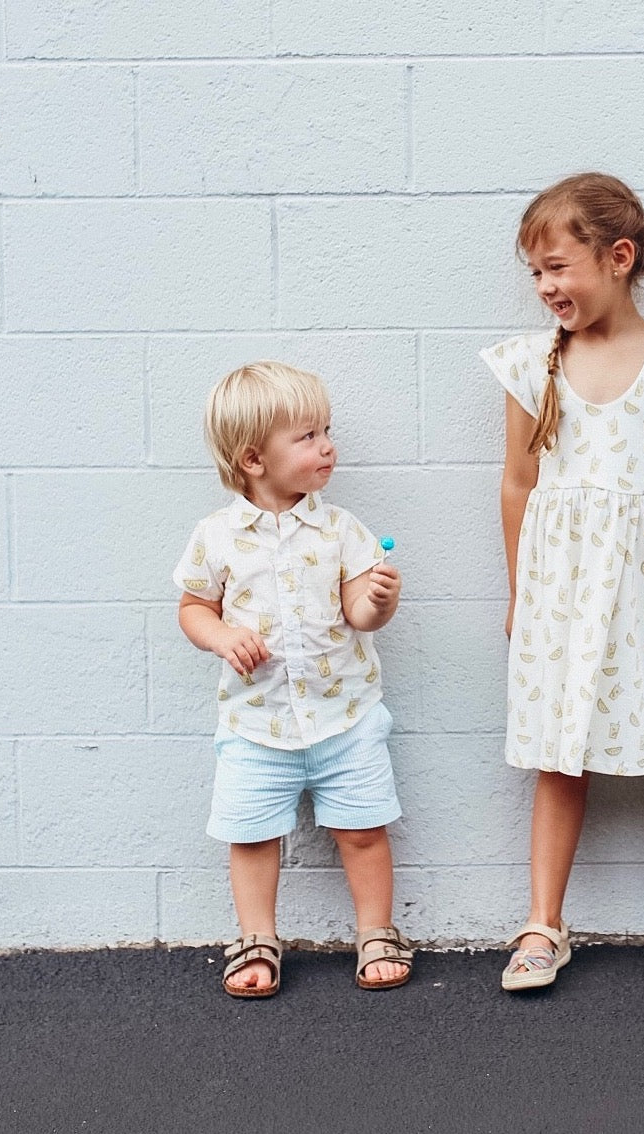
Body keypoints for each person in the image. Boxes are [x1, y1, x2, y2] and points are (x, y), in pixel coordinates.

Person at [481, 173, 644, 995]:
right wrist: (521, 590)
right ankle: (542, 924)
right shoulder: (532, 364)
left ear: (618, 258)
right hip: (562, 586)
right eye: (535, 273)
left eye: (557, 266)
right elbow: (518, 484)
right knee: (561, 754)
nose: (545, 286)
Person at [173, 361, 412, 998]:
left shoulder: (341, 531)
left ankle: (377, 930)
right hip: (255, 725)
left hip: (345, 719)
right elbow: (194, 607)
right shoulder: (216, 537)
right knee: (251, 837)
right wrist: (222, 635)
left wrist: (380, 601)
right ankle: (257, 937)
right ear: (254, 458)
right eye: (307, 436)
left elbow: (360, 613)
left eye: (326, 430)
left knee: (363, 832)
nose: (327, 446)